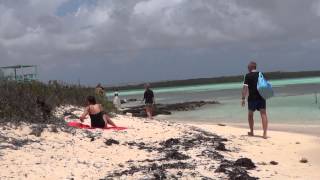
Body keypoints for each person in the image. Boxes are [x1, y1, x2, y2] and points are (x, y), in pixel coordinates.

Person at [241, 61, 269, 139]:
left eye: (248, 67)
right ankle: (265, 133)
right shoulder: (261, 74)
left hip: (252, 98)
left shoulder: (247, 76)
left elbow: (245, 88)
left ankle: (252, 131)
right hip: (261, 97)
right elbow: (265, 85)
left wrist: (243, 98)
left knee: (250, 115)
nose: (247, 68)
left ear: (251, 67)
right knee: (263, 114)